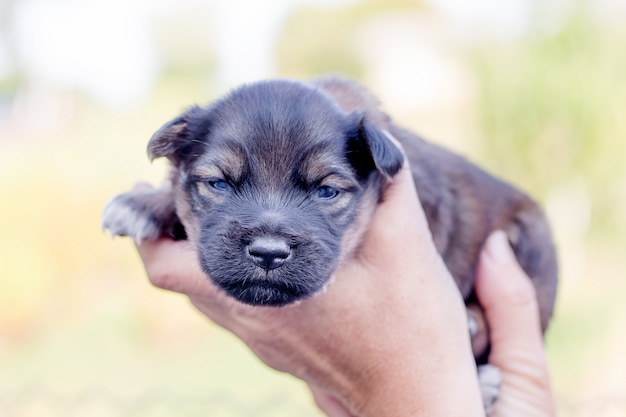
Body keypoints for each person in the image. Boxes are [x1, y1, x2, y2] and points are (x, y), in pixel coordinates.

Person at [133, 156, 555, 417]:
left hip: (490, 276)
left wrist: (412, 392)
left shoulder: (380, 163)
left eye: (326, 191)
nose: (269, 240)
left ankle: (473, 357)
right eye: (221, 183)